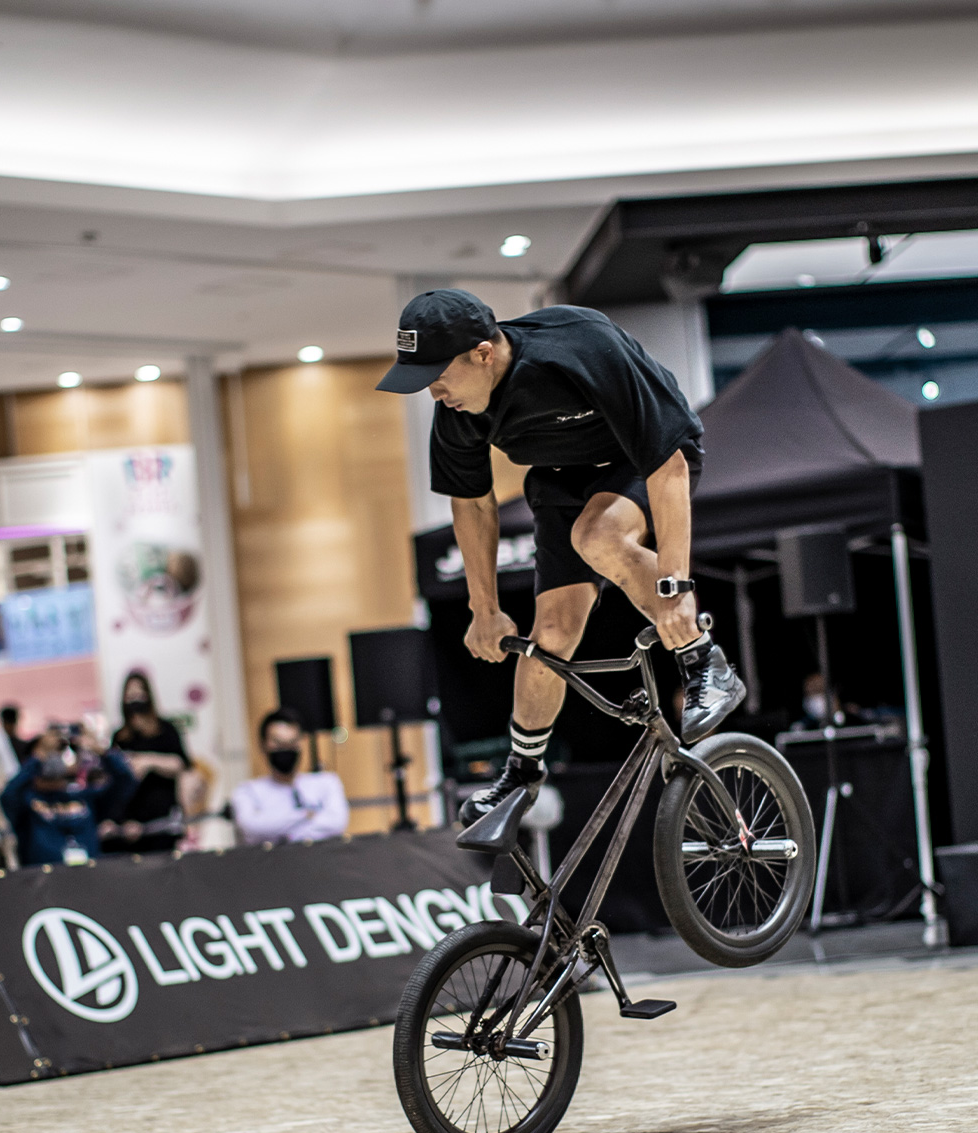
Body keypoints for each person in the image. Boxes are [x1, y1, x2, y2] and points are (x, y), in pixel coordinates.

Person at [376, 288, 743, 825]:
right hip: (559, 481)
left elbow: (669, 467)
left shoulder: (580, 346)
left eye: (438, 375)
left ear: (482, 353)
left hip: (646, 459)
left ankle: (703, 659)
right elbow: (473, 505)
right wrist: (484, 608)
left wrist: (676, 589)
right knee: (549, 636)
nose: (434, 392)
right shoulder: (457, 411)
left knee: (597, 536)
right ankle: (521, 774)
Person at [0, 727, 135, 867]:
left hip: (89, 878)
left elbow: (125, 780)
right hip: (42, 882)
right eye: (54, 751)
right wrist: (37, 758)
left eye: (65, 749)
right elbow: (7, 796)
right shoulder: (26, 800)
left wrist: (102, 751)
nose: (59, 756)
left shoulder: (87, 797)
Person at [230, 708, 349, 845]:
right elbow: (251, 828)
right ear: (263, 745)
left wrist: (282, 837)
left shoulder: (327, 782)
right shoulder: (248, 791)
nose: (286, 749)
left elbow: (336, 823)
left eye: (292, 743)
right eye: (278, 743)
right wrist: (304, 815)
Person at [103, 670, 190, 853]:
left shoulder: (166, 729)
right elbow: (115, 780)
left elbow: (181, 763)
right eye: (130, 693)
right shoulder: (120, 736)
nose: (135, 698)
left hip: (160, 819)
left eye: (139, 692)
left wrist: (148, 761)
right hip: (130, 822)